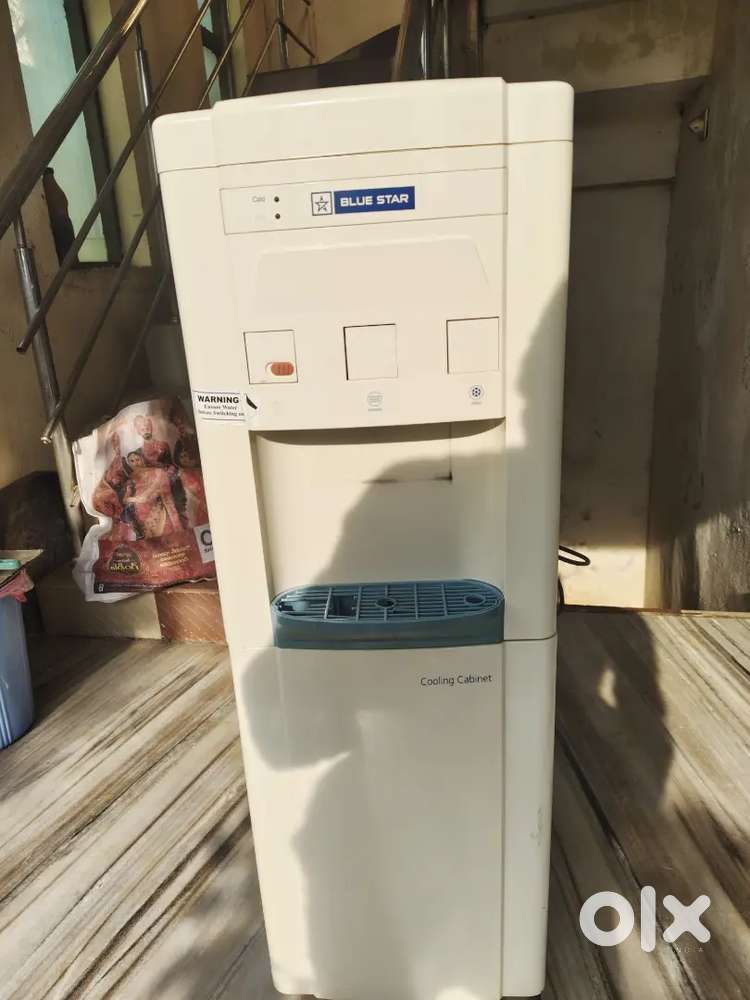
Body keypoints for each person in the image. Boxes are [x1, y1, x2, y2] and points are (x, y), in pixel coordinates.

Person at [122, 451, 182, 539]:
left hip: (157, 507)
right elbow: (125, 499)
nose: (135, 463)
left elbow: (165, 493)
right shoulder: (131, 478)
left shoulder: (157, 472)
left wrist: (144, 496)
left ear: (142, 459)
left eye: (137, 459)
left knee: (164, 535)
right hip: (140, 513)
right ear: (129, 464)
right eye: (132, 461)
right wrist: (136, 499)